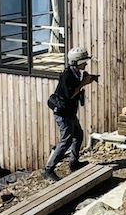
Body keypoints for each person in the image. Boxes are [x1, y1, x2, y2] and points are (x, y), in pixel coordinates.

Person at [42, 47, 98, 182]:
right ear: (77, 62)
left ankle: (74, 163)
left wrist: (85, 80)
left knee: (78, 135)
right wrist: (83, 83)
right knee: (65, 141)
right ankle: (48, 169)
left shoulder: (76, 73)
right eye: (84, 61)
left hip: (70, 112)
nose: (86, 64)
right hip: (63, 113)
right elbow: (70, 95)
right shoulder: (67, 75)